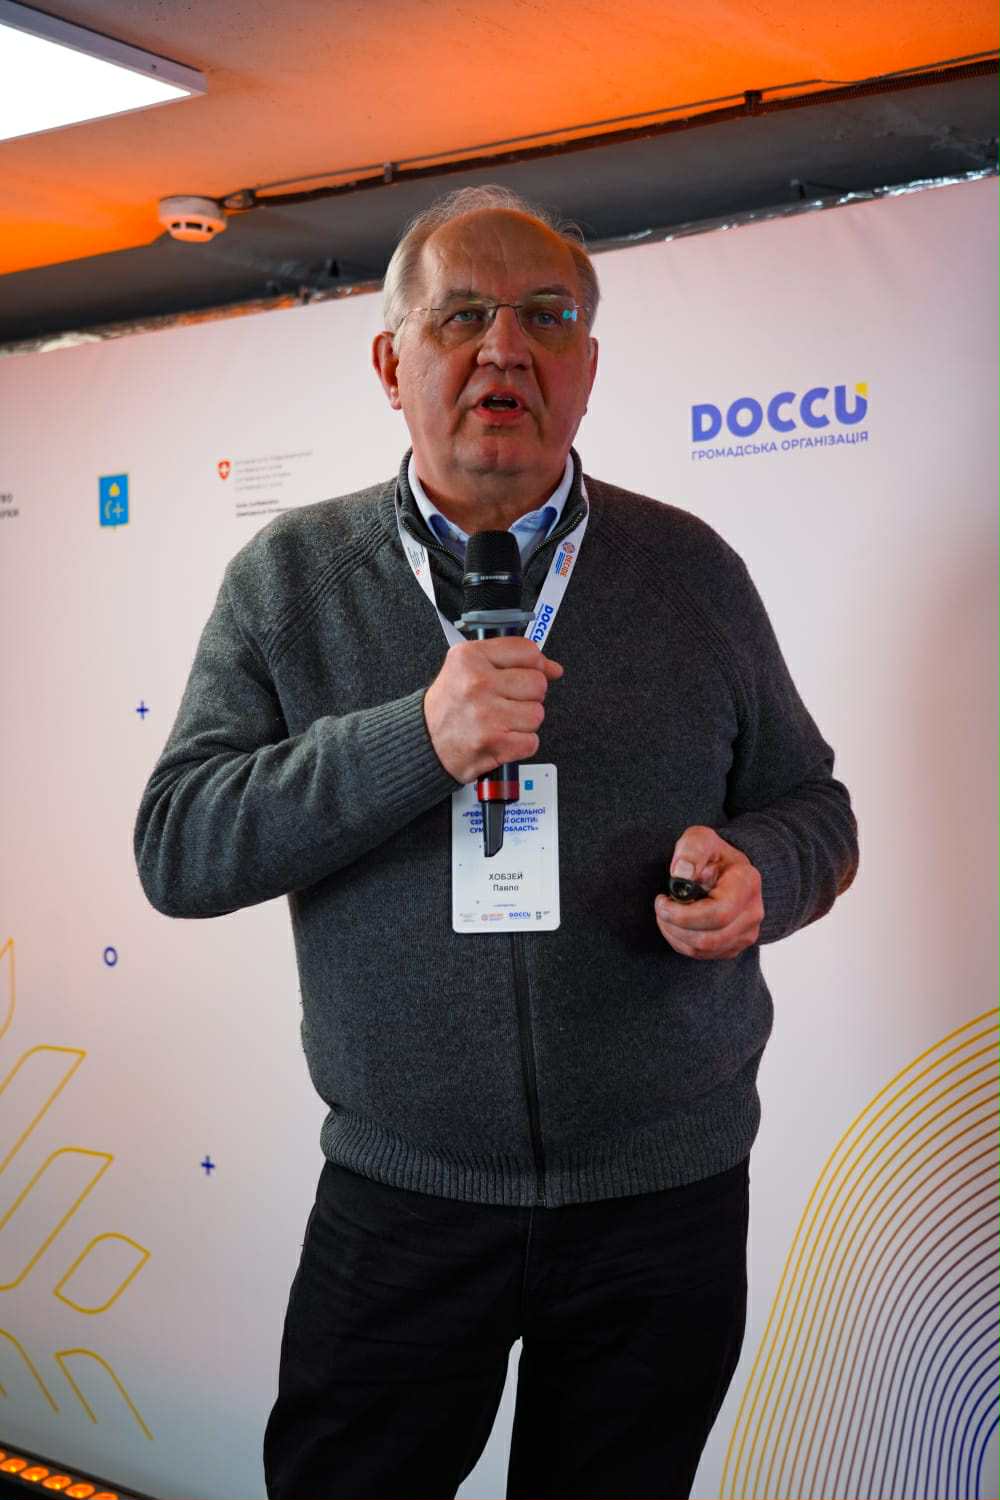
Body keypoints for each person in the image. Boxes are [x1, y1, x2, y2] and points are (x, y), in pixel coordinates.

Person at [134, 183, 858, 1500]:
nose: (505, 349)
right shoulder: (291, 582)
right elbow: (181, 845)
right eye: (461, 316)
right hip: (403, 1202)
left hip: (665, 1202)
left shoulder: (690, 570)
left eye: (546, 317)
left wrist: (772, 871)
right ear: (390, 362)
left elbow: (815, 803)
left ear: (588, 365)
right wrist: (414, 740)